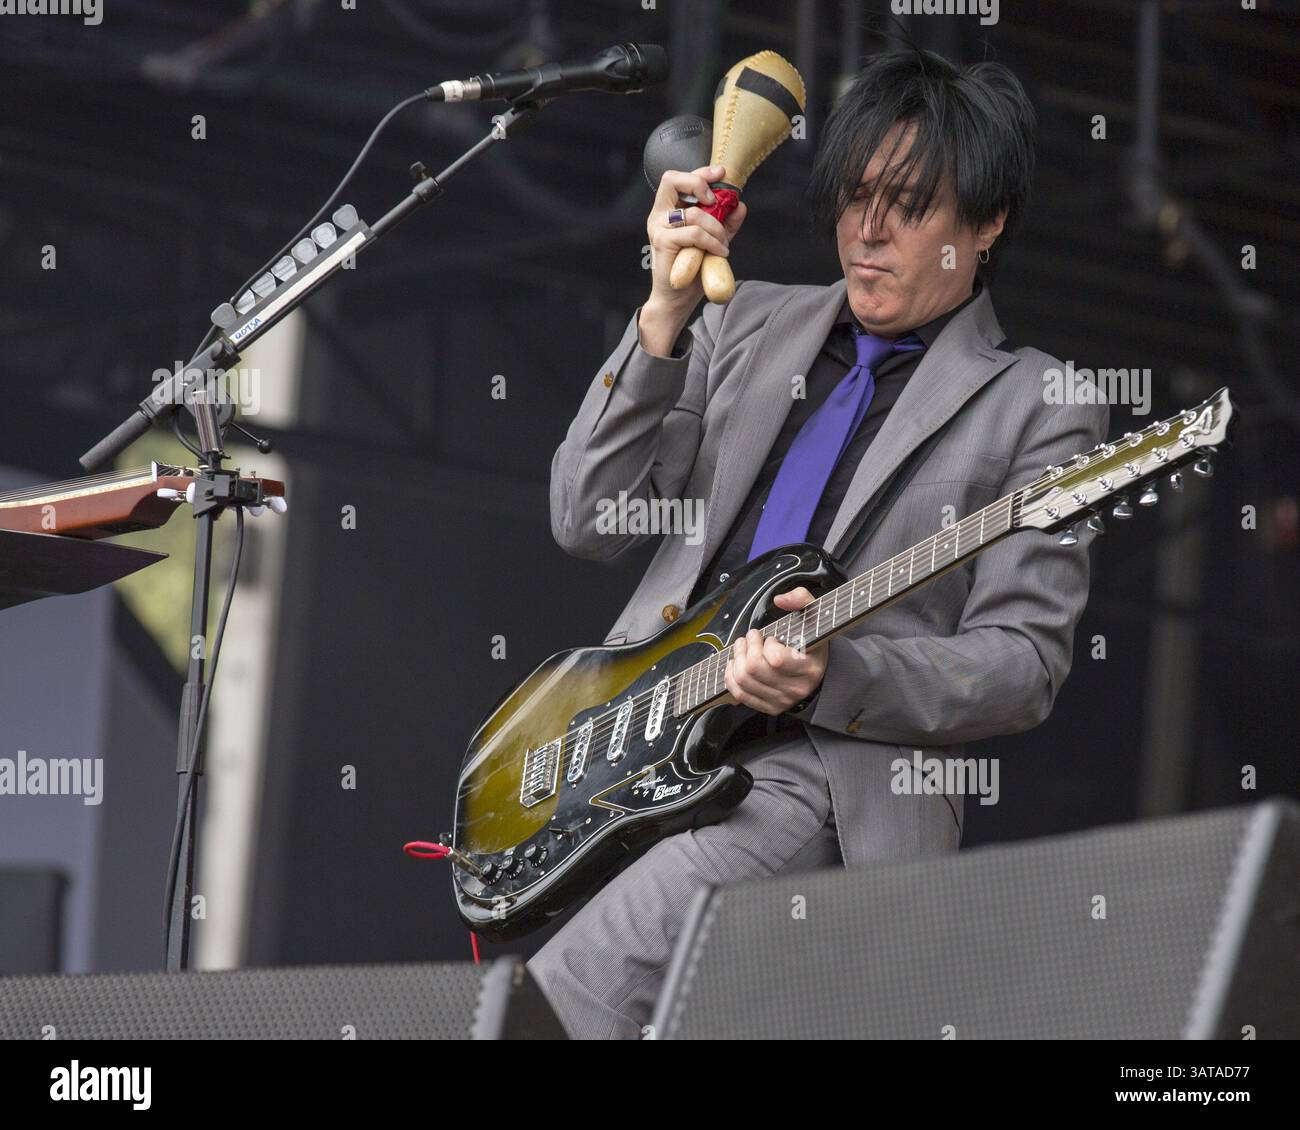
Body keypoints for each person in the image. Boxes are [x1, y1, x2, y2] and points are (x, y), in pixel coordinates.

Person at [528, 47, 1108, 1039]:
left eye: (909, 203)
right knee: (522, 990)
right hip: (632, 755)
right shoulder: (740, 321)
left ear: (987, 219)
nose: (868, 230)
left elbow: (1022, 664)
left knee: (567, 993)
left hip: (819, 775)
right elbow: (587, 515)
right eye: (852, 196)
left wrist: (834, 671)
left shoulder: (1039, 405)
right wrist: (662, 313)